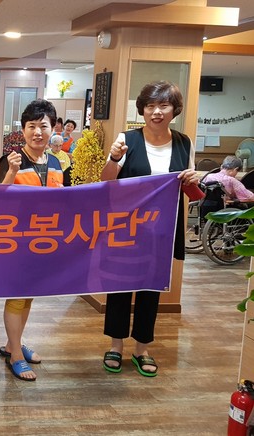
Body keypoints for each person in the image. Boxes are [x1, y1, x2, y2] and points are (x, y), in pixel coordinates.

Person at [100, 81, 199, 377]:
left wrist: (193, 180)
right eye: (150, 106)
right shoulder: (127, 139)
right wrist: (114, 158)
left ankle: (142, 348)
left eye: (163, 106)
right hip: (126, 227)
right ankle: (116, 345)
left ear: (174, 110)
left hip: (161, 231)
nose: (156, 112)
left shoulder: (183, 143)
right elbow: (106, 181)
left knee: (151, 288)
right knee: (120, 286)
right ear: (142, 110)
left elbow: (190, 191)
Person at [0, 99, 64, 381]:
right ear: (22, 130)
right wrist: (12, 172)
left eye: (43, 126)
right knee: (16, 296)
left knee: (28, 296)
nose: (37, 132)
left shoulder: (57, 162)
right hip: (16, 243)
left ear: (53, 129)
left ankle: (14, 342)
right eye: (31, 126)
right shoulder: (10, 161)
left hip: (44, 242)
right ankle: (16, 356)